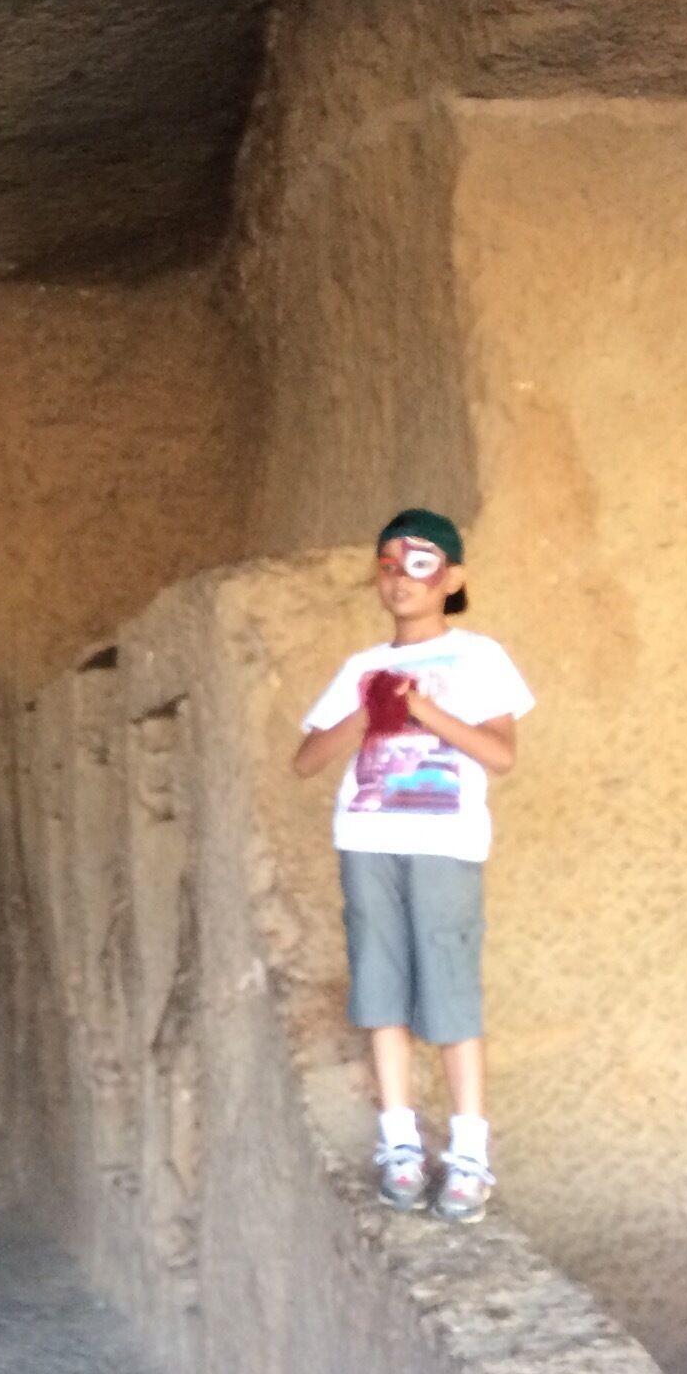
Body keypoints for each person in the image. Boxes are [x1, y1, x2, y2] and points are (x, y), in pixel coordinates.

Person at [293, 509, 533, 1221]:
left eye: (420, 564)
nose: (401, 580)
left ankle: (469, 1151)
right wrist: (367, 717)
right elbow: (306, 760)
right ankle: (398, 1139)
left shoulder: (480, 657)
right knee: (380, 987)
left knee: (451, 990)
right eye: (389, 565)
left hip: (445, 840)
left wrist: (423, 713)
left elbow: (501, 755)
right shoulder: (361, 669)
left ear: (453, 577)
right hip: (367, 835)